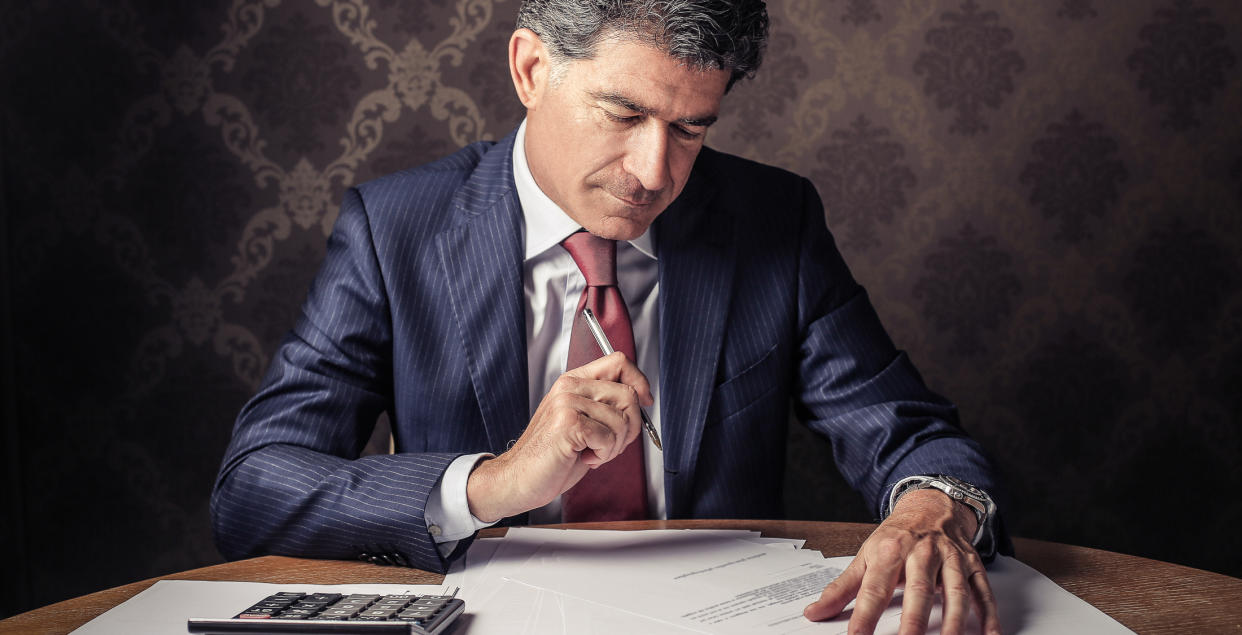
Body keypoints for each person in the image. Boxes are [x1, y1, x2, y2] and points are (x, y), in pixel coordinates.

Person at [211, 1, 1010, 633]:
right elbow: (253, 488)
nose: (655, 171)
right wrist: (493, 482)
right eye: (624, 114)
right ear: (531, 68)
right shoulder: (395, 232)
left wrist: (931, 509)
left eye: (691, 128)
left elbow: (911, 434)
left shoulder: (775, 221)